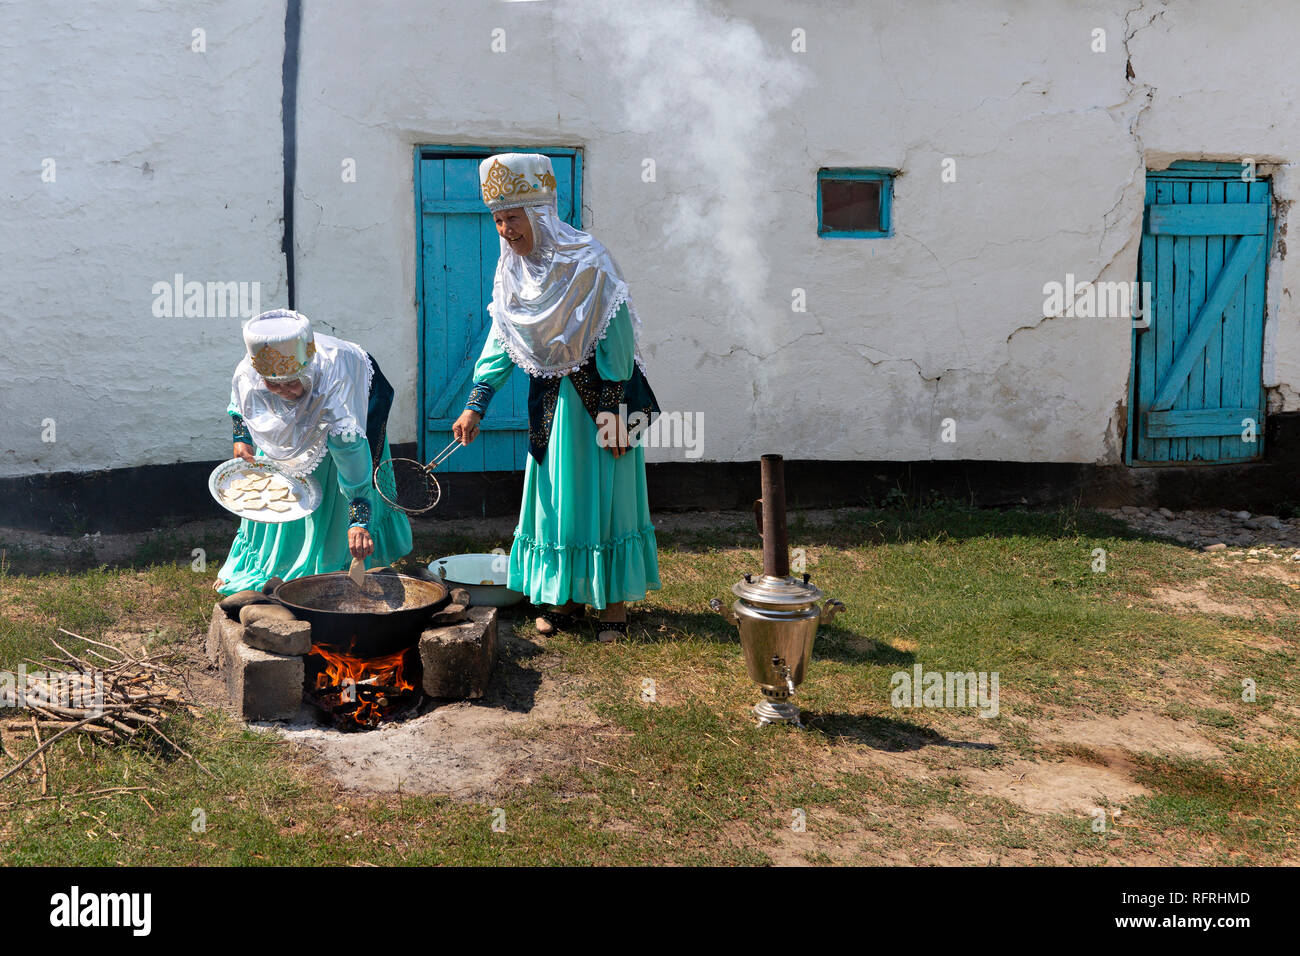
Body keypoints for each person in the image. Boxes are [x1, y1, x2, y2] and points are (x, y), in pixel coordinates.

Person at [453, 153, 661, 642]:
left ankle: (611, 606)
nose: (505, 229)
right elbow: (503, 338)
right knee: (554, 502)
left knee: (604, 499)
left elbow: (619, 339)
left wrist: (618, 415)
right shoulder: (512, 273)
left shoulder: (589, 260)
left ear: (540, 213)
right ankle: (564, 599)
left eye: (513, 217)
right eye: (498, 219)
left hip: (600, 406)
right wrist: (476, 401)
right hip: (550, 406)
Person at [215, 309, 412, 594]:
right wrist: (241, 436)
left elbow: (353, 459)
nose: (284, 392)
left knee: (331, 471)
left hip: (352, 405)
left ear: (307, 370)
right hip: (308, 403)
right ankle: (265, 565)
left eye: (292, 382)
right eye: (273, 384)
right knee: (279, 485)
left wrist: (358, 519)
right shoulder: (257, 366)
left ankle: (328, 567)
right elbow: (242, 398)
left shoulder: (336, 397)